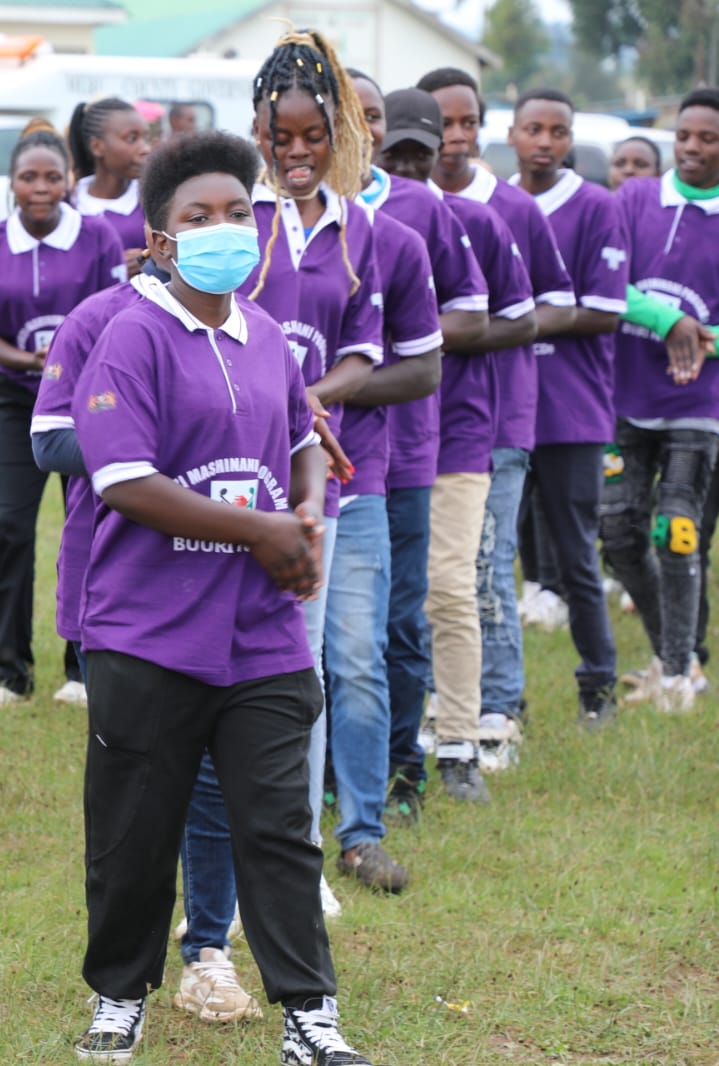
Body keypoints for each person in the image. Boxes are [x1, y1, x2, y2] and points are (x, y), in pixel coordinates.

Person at [70, 126, 374, 1066]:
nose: (222, 229)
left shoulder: (273, 344)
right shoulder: (131, 335)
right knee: (134, 830)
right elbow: (122, 481)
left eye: (237, 213)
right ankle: (118, 998)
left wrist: (307, 521)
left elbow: (300, 451)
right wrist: (266, 531)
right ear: (161, 243)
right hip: (150, 633)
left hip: (260, 637)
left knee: (279, 828)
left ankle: (308, 1018)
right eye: (196, 218)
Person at [173, 29, 384, 1021]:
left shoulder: (362, 229)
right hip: (213, 498)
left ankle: (291, 873)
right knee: (218, 700)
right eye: (278, 132)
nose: (295, 150)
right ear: (257, 129)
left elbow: (370, 356)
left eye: (312, 133)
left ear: (335, 128)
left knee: (296, 685)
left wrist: (305, 397)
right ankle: (204, 924)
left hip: (312, 493)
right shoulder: (224, 216)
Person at [375, 86, 535, 809]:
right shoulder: (344, 220)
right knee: (373, 605)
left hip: (454, 436)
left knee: (447, 590)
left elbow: (511, 318)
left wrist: (408, 339)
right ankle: (380, 744)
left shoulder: (466, 217)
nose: (407, 164)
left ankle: (459, 743)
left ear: (441, 147)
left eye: (419, 150)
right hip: (372, 438)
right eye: (394, 152)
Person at [419, 66, 576, 777]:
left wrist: (459, 330)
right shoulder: (395, 204)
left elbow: (553, 305)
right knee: (430, 574)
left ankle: (499, 708)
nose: (455, 137)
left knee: (483, 569)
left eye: (465, 122)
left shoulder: (506, 209)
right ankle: (435, 702)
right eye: (441, 124)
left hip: (495, 416)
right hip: (418, 419)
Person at [349, 80, 491, 828]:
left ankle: (404, 766)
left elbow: (470, 310)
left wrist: (378, 346)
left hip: (403, 454)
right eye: (353, 113)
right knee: (321, 627)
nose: (362, 128)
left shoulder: (418, 208)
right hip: (303, 452)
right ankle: (332, 769)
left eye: (372, 116)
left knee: (398, 620)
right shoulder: (269, 212)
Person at [0, 128, 124, 710]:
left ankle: (79, 665)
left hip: (88, 404)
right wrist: (33, 360)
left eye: (52, 178)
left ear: (69, 183)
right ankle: (11, 670)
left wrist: (68, 364)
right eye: (29, 178)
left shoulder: (99, 238)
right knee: (11, 527)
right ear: (12, 183)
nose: (40, 189)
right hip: (19, 403)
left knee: (86, 528)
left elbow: (116, 321)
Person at [506, 87, 627, 728]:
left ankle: (597, 688)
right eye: (534, 129)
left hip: (571, 411)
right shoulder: (493, 203)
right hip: (498, 411)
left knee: (578, 554)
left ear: (570, 140)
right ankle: (502, 701)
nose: (545, 141)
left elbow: (605, 311)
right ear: (514, 135)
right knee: (495, 560)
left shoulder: (596, 207)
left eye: (558, 131)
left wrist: (512, 322)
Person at [601, 87, 719, 712]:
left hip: (698, 402)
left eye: (708, 139)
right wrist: (667, 318)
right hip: (624, 396)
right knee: (618, 533)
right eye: (685, 137)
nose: (693, 148)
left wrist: (700, 337)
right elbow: (605, 281)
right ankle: (669, 649)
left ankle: (678, 673)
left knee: (677, 530)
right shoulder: (636, 199)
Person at [68, 97, 152, 276]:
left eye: (146, 138)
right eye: (132, 139)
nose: (145, 148)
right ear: (97, 146)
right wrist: (110, 265)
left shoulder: (151, 200)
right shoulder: (69, 204)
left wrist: (151, 262)